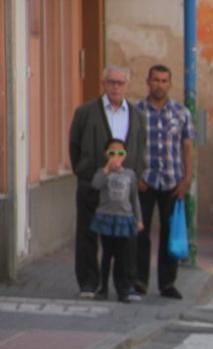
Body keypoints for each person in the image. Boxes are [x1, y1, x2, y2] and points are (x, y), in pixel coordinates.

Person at [69, 65, 146, 299]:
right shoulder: (85, 112)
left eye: (120, 83)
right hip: (93, 183)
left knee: (124, 239)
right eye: (111, 82)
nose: (115, 87)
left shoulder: (136, 116)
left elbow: (140, 149)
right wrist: (85, 172)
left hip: (123, 191)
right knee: (87, 235)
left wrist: (134, 177)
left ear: (126, 86)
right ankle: (89, 283)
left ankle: (125, 285)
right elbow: (74, 146)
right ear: (103, 84)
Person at [135, 64, 195, 300]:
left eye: (164, 81)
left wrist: (186, 179)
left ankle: (167, 283)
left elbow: (188, 147)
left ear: (170, 84)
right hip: (145, 181)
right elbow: (130, 146)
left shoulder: (181, 113)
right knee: (141, 233)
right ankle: (139, 281)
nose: (159, 85)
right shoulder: (136, 111)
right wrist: (136, 176)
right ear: (148, 82)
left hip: (172, 181)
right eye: (155, 80)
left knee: (171, 233)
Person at [90, 139, 143, 303]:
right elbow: (95, 185)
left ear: (125, 156)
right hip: (107, 217)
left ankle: (123, 289)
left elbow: (134, 198)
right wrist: (106, 169)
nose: (116, 157)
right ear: (106, 154)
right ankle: (103, 287)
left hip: (124, 218)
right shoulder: (103, 172)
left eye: (120, 153)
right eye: (112, 153)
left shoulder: (130, 174)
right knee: (107, 254)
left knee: (122, 256)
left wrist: (138, 219)